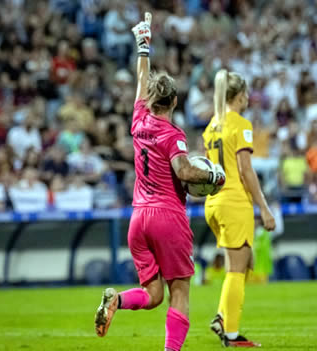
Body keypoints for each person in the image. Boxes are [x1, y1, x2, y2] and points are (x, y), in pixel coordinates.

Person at [94, 14, 225, 351]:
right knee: (179, 293)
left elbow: (141, 79)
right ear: (175, 102)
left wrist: (143, 47)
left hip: (138, 219)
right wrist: (212, 175)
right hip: (168, 216)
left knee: (153, 295)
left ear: (150, 100)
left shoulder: (138, 121)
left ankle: (116, 300)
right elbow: (183, 171)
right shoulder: (172, 134)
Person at [202, 69, 276, 347]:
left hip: (214, 202)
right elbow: (246, 171)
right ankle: (231, 335)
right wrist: (264, 209)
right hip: (234, 201)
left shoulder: (211, 126)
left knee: (242, 266)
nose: (248, 98)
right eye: (245, 94)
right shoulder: (241, 124)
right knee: (236, 270)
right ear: (238, 96)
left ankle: (222, 318)